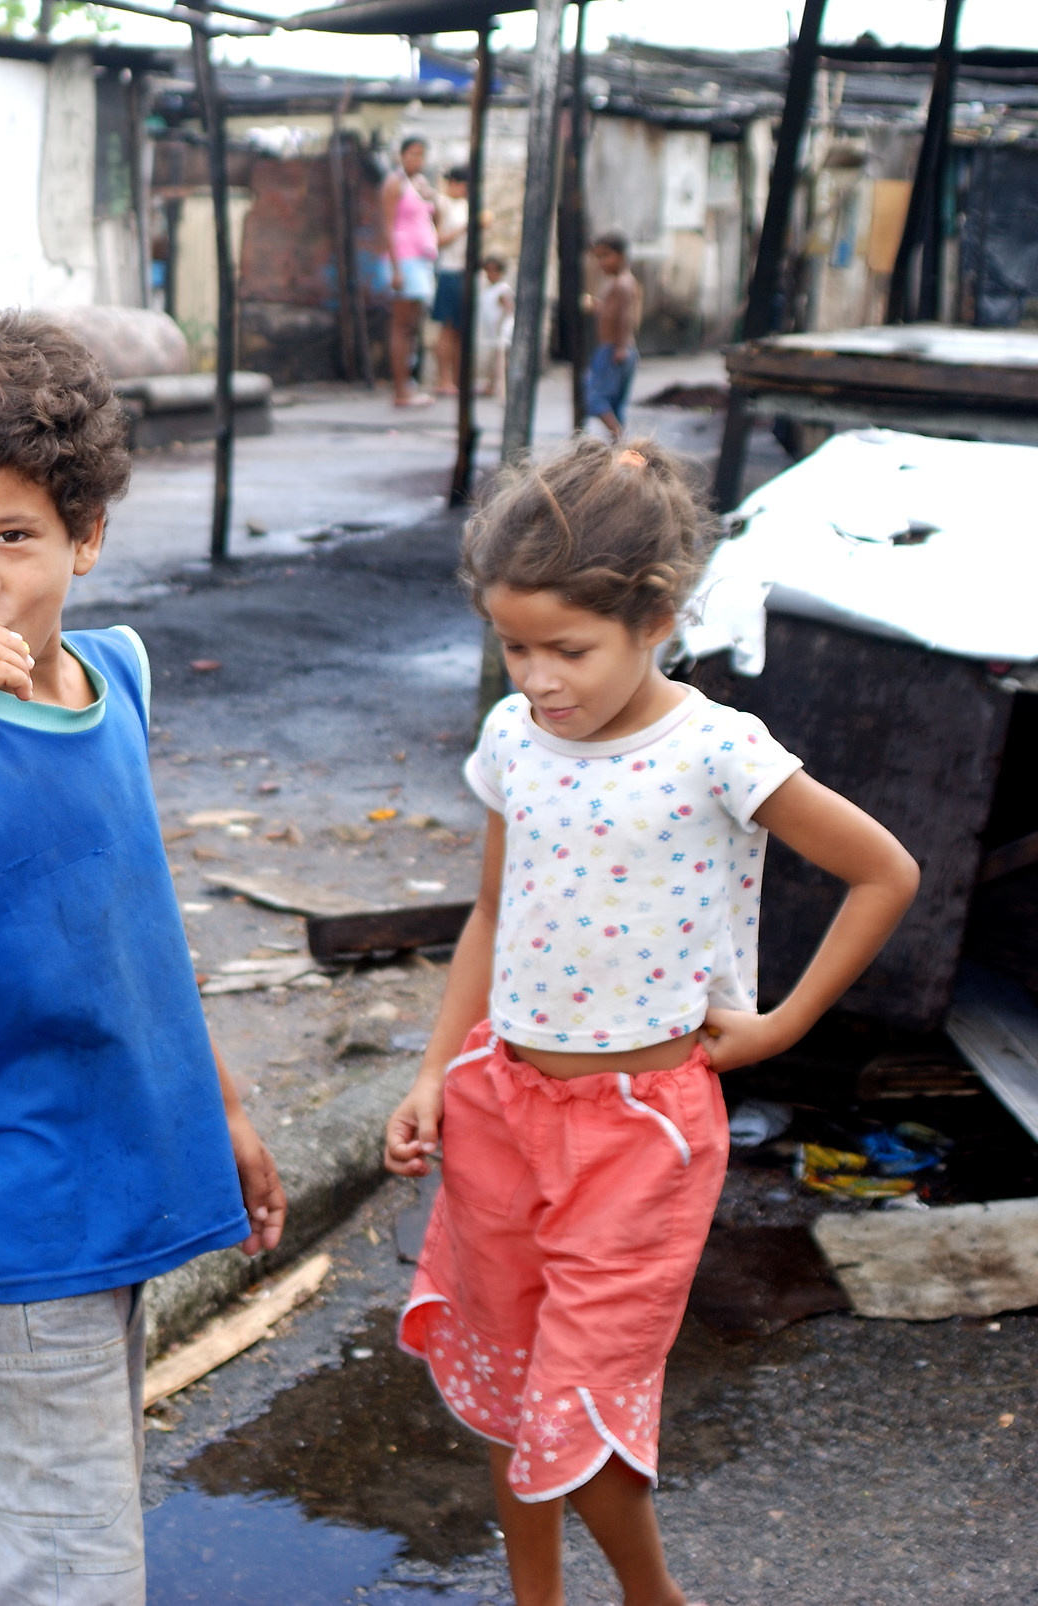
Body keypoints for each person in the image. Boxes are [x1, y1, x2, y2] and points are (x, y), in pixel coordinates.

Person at [384, 437, 919, 1606]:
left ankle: (653, 1598)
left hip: (641, 1135)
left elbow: (885, 871)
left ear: (657, 619)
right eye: (513, 646)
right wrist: (434, 1072)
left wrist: (780, 1024)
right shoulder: (512, 743)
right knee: (506, 1381)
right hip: (498, 1107)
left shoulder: (718, 750)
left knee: (575, 1404)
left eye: (566, 649)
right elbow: (489, 910)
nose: (537, 677)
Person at [0, 311, 288, 1606]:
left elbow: (142, 929)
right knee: (74, 1573)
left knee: (26, 1538)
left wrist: (227, 1110)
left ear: (83, 535)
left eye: (13, 535)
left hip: (110, 1210)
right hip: (21, 1248)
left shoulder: (114, 679)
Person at [382, 135, 441, 408]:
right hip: (404, 261)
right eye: (412, 154)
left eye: (421, 155)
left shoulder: (418, 184)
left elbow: (433, 216)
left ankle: (409, 382)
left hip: (420, 260)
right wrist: (395, 268)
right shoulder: (394, 183)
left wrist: (431, 196)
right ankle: (401, 390)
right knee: (402, 325)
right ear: (401, 156)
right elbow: (387, 226)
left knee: (412, 326)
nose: (417, 160)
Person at [584, 232, 643, 436]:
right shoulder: (619, 282)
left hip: (614, 349)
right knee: (615, 405)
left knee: (594, 398)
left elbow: (627, 317)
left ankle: (620, 439)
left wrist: (620, 347)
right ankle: (619, 446)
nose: (602, 262)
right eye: (598, 257)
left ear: (621, 255)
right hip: (617, 348)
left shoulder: (623, 284)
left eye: (606, 256)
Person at [431, 166, 474, 397]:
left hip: (464, 271)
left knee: (459, 329)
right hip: (449, 270)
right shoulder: (443, 205)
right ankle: (443, 379)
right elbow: (437, 240)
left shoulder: (466, 206)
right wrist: (463, 228)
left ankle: (458, 379)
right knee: (447, 329)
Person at [476, 254, 513, 398]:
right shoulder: (489, 290)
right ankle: (492, 383)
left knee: (499, 360)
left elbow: (508, 309)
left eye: (495, 271)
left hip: (500, 330)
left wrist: (502, 326)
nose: (491, 274)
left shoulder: (502, 289)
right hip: (491, 330)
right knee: (493, 359)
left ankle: (499, 385)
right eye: (488, 271)